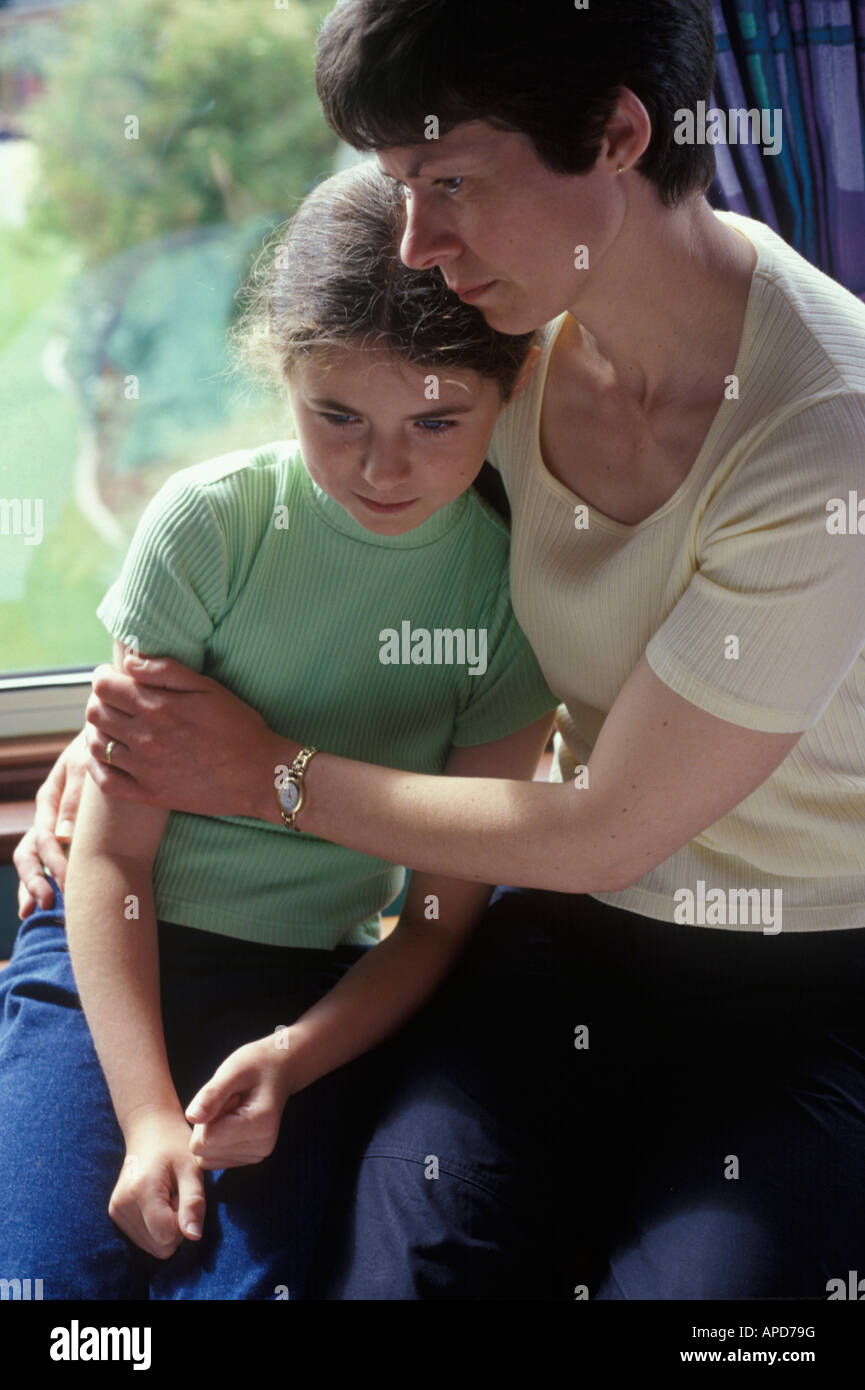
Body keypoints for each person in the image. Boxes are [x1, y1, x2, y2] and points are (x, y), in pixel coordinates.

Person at [14, 0, 865, 1299]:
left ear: (619, 132)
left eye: (446, 180)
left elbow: (601, 825)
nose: (419, 240)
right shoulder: (512, 333)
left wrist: (253, 771)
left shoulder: (824, 438)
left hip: (807, 976)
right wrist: (121, 739)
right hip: (568, 935)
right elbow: (317, 507)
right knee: (402, 1267)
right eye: (399, 184)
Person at [0, 161, 558, 1300]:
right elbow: (110, 853)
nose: (382, 465)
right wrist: (150, 1114)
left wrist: (295, 1059)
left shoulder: (514, 596)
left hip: (311, 991)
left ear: (516, 387)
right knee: (42, 1290)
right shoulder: (210, 528)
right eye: (335, 413)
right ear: (282, 372)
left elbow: (437, 923)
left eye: (438, 418)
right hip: (116, 954)